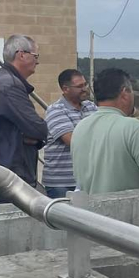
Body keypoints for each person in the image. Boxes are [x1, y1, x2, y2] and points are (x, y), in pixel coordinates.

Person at [71, 68, 139, 194]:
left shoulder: (80, 127)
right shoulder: (134, 128)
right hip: (125, 210)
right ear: (124, 93)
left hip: (88, 210)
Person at [0, 34, 49, 204]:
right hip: (11, 172)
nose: (37, 62)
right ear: (21, 54)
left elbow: (31, 131)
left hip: (3, 169)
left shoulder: (2, 80)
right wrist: (30, 136)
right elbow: (39, 128)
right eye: (35, 56)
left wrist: (30, 137)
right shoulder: (10, 85)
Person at [42, 69, 98, 198]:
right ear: (65, 89)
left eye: (85, 84)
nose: (85, 89)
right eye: (79, 86)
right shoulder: (55, 110)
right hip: (61, 183)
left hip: (87, 180)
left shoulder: (91, 107)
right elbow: (73, 141)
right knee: (65, 218)